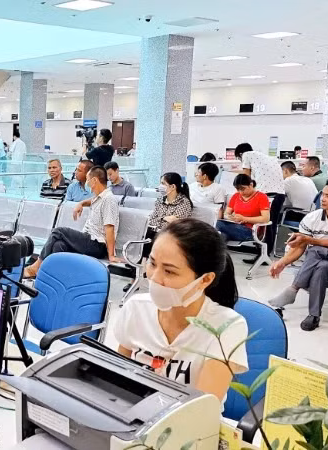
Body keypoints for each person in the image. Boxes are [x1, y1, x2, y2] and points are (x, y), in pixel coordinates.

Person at [113, 219, 247, 400]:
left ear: (205, 280)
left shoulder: (225, 326)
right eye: (152, 264)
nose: (155, 278)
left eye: (170, 271)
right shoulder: (136, 308)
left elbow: (201, 408)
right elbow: (117, 379)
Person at [268, 178, 328, 331]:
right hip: (325, 262)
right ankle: (314, 315)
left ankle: (294, 288)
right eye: (323, 194)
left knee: (315, 249)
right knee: (321, 267)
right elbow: (299, 247)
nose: (323, 199)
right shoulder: (312, 218)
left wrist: (309, 239)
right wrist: (282, 262)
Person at [23, 166, 119, 278]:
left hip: (97, 244)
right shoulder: (99, 198)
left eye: (88, 180)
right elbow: (92, 201)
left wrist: (111, 255)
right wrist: (81, 203)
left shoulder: (109, 199)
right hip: (89, 240)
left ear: (94, 180)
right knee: (59, 245)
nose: (87, 183)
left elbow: (109, 228)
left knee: (58, 232)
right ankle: (52, 277)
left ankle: (36, 267)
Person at [235, 143, 285, 257]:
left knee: (265, 225)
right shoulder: (267, 158)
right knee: (271, 224)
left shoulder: (246, 155)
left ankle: (263, 255)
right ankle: (265, 254)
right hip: (280, 194)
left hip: (268, 193)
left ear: (241, 154)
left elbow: (245, 179)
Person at [215, 174, 270, 243]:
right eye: (238, 189)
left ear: (251, 185)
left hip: (250, 230)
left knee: (217, 224)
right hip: (234, 227)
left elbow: (265, 219)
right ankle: (217, 252)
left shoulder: (262, 197)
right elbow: (226, 213)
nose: (240, 192)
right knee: (220, 236)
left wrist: (244, 219)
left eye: (243, 189)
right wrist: (231, 218)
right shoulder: (236, 196)